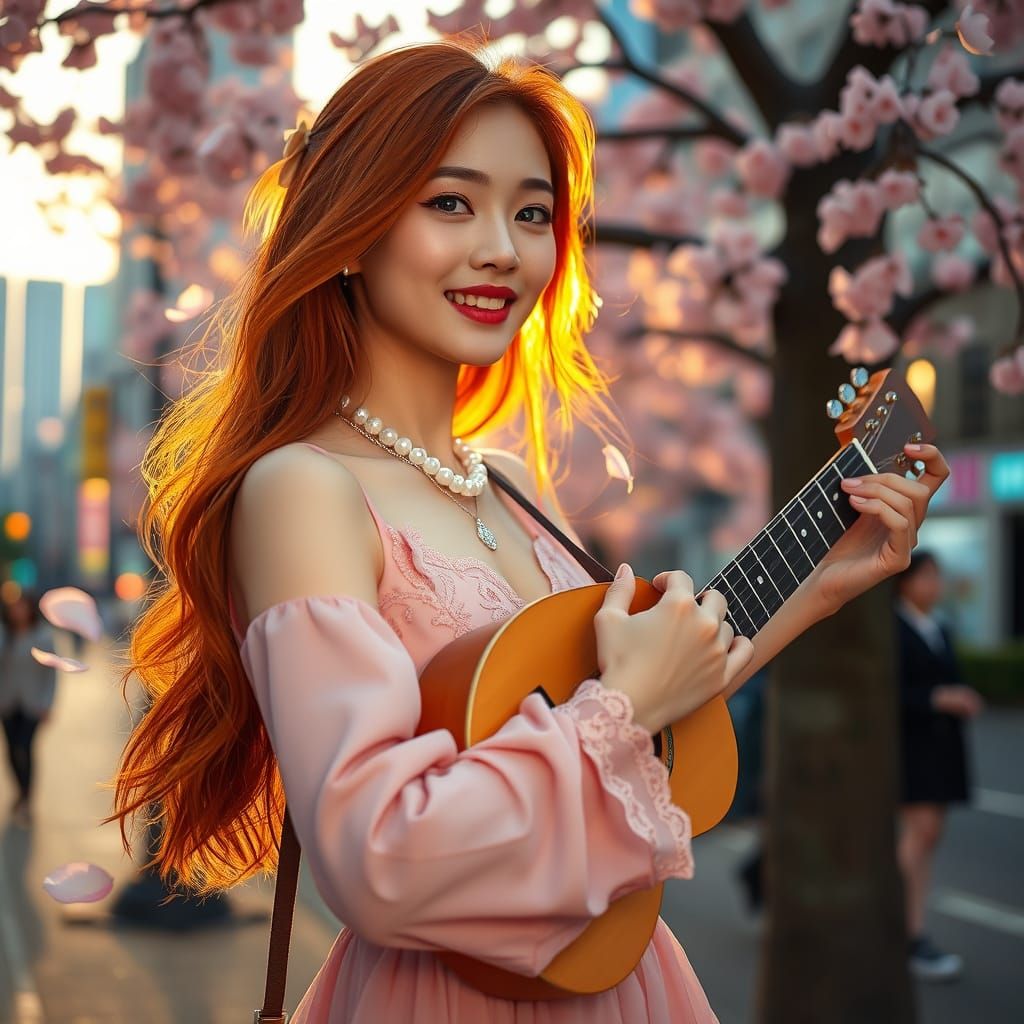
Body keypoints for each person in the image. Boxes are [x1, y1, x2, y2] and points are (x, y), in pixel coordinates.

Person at [108, 40, 949, 1023]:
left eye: (532, 213)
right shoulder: (304, 489)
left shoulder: (506, 484)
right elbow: (375, 856)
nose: (503, 248)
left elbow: (642, 698)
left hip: (616, 974)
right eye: (450, 202)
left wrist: (828, 578)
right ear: (347, 228)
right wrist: (625, 706)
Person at [895, 550, 981, 982]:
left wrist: (959, 695)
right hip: (911, 747)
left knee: (929, 833)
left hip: (940, 746)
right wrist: (936, 698)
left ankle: (910, 928)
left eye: (937, 576)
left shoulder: (939, 627)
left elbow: (952, 676)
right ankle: (906, 932)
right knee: (920, 832)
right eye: (926, 576)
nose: (935, 584)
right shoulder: (895, 627)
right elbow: (891, 691)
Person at [0, 591, 58, 827]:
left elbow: (51, 674)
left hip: (33, 705)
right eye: (13, 607)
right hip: (6, 703)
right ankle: (21, 794)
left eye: (21, 606)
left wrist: (47, 704)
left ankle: (26, 799)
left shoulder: (43, 636)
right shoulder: (5, 634)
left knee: (25, 747)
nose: (17, 611)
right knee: (11, 750)